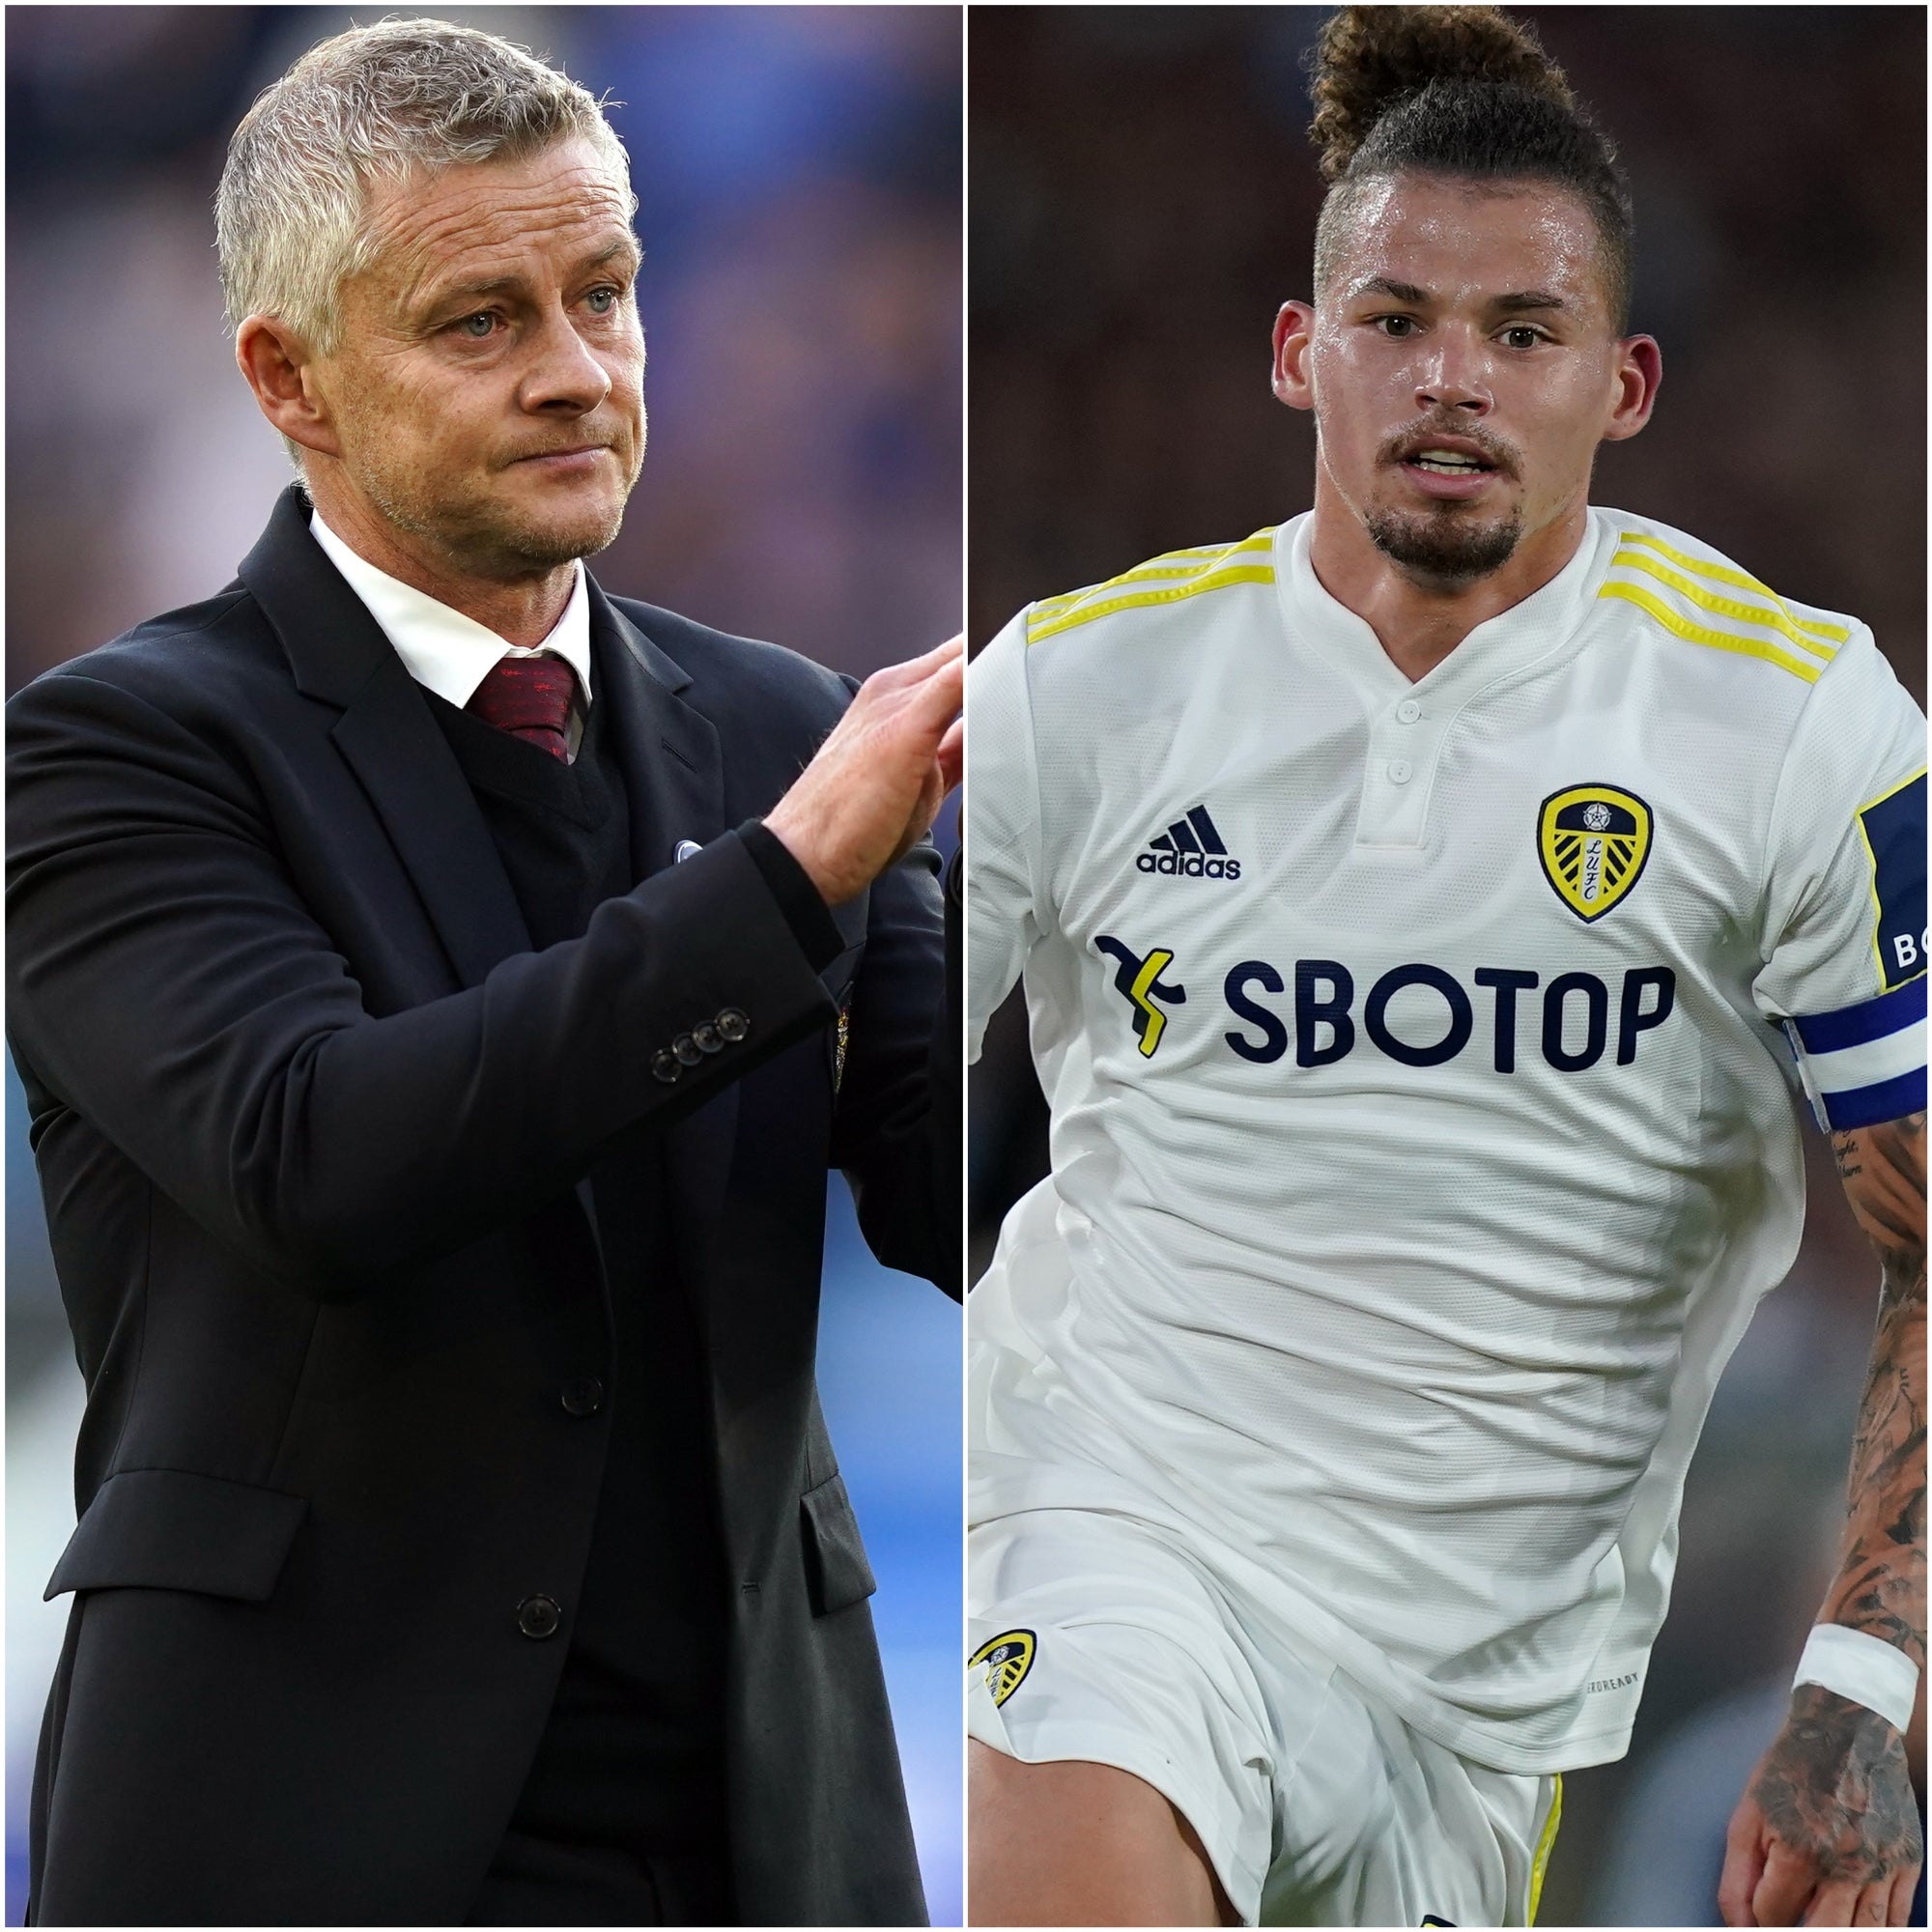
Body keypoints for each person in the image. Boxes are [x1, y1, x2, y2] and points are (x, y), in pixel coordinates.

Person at [964, 8, 1924, 1926]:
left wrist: (1870, 1679)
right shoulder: (1077, 689)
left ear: (1623, 382)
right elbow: (849, 1084)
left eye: (1522, 331)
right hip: (1120, 1523)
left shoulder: (1793, 723)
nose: (1448, 380)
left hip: (1485, 1685)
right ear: (1294, 349)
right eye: (1393, 318)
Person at [8, 18, 961, 1927]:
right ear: (292, 378)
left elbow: (975, 1188)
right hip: (303, 1829)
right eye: (482, 321)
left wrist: (1151, 972)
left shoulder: (777, 723)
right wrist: (784, 881)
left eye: (604, 293)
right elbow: (322, 1157)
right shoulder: (119, 749)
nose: (576, 372)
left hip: (758, 1826)